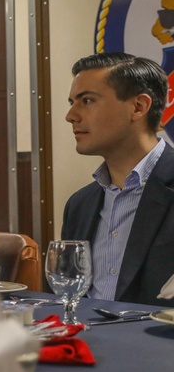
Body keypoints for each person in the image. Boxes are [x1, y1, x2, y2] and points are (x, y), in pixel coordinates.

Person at [60, 52, 174, 305]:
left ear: (138, 107)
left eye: (87, 100)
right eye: (72, 102)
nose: (71, 115)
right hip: (87, 339)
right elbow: (65, 294)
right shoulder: (79, 204)